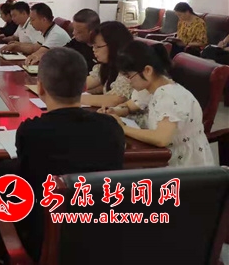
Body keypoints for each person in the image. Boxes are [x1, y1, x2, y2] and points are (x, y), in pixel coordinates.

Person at [13, 48, 125, 261]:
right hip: (106, 240)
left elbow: (27, 181)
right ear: (84, 87)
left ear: (40, 87)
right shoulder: (111, 127)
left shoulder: (31, 131)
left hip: (47, 241)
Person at [102, 41, 214, 167]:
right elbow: (130, 106)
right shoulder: (150, 88)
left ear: (147, 70)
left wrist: (123, 128)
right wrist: (114, 111)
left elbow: (161, 138)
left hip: (184, 166)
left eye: (129, 76)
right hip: (165, 156)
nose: (128, 82)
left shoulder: (169, 96)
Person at [81, 21, 134, 108]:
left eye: (98, 46)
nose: (94, 50)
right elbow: (85, 83)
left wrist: (74, 99)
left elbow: (115, 100)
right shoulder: (106, 66)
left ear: (114, 45)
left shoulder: (129, 67)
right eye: (93, 46)